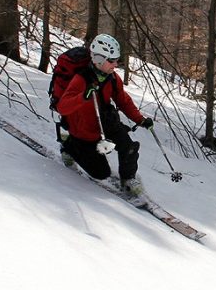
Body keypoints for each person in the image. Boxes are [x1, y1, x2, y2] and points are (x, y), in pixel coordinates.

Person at [56, 34, 153, 195]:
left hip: (106, 122)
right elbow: (63, 107)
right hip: (84, 130)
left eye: (116, 60)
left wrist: (140, 119)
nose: (115, 64)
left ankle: (128, 179)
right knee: (101, 173)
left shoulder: (112, 78)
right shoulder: (81, 79)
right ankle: (68, 145)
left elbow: (123, 100)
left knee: (128, 146)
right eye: (111, 60)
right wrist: (83, 97)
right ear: (99, 59)